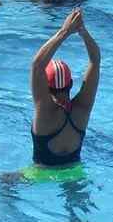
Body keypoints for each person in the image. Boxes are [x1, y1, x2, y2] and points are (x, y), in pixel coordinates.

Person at [30, 9, 100, 168]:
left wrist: (65, 31)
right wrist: (83, 32)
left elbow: (37, 65)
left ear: (46, 87)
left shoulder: (45, 111)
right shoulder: (82, 108)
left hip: (41, 173)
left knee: (4, 181)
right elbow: (95, 61)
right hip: (75, 172)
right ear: (70, 84)